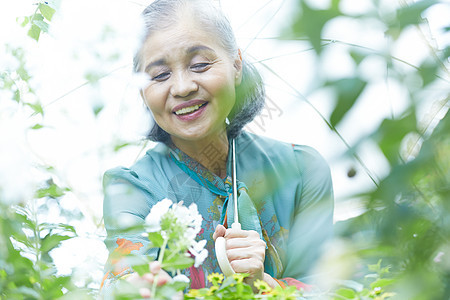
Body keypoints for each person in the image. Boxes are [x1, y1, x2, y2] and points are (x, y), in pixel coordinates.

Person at [101, 0, 334, 296]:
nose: (183, 87)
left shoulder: (302, 170)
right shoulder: (130, 189)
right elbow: (127, 282)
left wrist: (265, 284)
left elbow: (331, 287)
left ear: (236, 65)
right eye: (160, 75)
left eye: (199, 65)